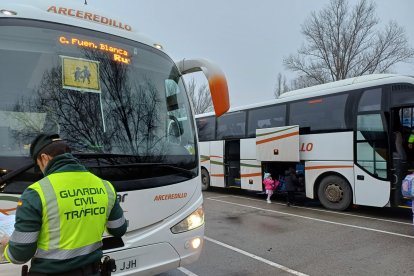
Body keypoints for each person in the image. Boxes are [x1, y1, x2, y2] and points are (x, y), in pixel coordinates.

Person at [1, 133, 127, 275]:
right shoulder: (105, 186)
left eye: (38, 166)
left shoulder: (36, 193)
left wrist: (8, 244)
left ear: (44, 158)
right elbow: (119, 229)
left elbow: (19, 255)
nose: (41, 172)